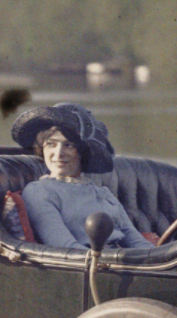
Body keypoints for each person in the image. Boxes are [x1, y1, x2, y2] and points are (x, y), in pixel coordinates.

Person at [8, 104, 151, 250]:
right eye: (51, 144)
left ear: (83, 152)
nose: (58, 154)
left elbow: (136, 240)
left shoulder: (102, 193)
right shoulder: (39, 191)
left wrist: (158, 256)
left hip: (123, 260)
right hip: (90, 266)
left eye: (68, 145)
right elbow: (65, 247)